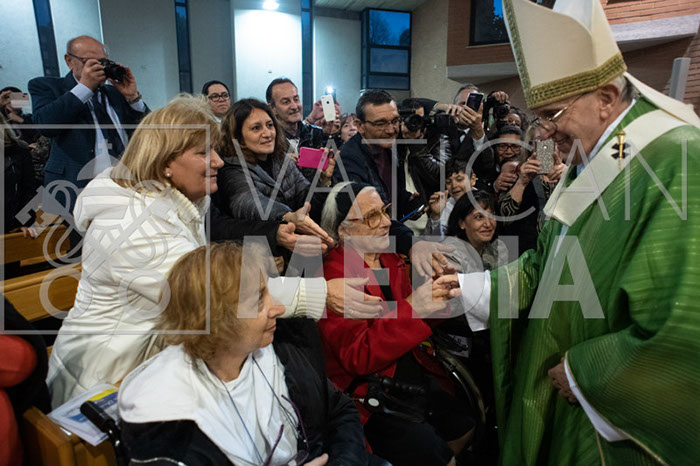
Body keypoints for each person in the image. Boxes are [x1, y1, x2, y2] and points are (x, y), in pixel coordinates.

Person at [456, 0, 700, 464]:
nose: (545, 133)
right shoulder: (598, 152)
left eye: (553, 114)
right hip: (561, 383)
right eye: (538, 119)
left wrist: (588, 373)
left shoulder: (678, 157)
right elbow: (553, 258)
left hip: (605, 410)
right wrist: (476, 287)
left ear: (605, 98)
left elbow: (686, 320)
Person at [46, 96, 363, 407]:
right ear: (165, 162)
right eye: (203, 153)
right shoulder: (130, 223)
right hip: (105, 379)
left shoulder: (180, 202)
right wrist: (318, 292)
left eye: (214, 149)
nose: (218, 161)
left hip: (157, 358)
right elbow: (212, 292)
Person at [119, 242, 368, 466]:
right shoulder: (170, 426)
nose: (278, 308)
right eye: (259, 300)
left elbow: (339, 410)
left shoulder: (282, 345)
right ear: (216, 321)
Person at [318, 181, 472, 466]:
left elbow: (410, 317)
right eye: (371, 217)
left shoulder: (388, 257)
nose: (387, 222)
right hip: (368, 391)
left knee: (464, 426)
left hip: (406, 367)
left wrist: (441, 295)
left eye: (385, 211)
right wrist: (415, 308)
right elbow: (358, 356)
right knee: (440, 456)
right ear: (343, 230)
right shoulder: (335, 278)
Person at [28, 35, 149, 219]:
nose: (98, 68)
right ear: (69, 61)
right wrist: (84, 88)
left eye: (103, 62)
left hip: (122, 189)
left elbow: (148, 132)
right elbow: (45, 125)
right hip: (73, 189)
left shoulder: (114, 93)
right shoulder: (48, 87)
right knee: (75, 238)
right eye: (90, 62)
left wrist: (133, 98)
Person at [214, 98, 334, 246]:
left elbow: (306, 198)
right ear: (238, 138)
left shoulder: (280, 159)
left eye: (270, 125)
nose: (267, 133)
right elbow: (248, 202)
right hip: (255, 250)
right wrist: (287, 215)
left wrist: (323, 180)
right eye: (256, 128)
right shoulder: (231, 168)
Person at [334, 89, 423, 255]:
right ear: (360, 126)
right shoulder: (350, 160)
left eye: (395, 121)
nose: (391, 130)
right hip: (365, 250)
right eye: (381, 123)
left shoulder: (389, 146)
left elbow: (390, 195)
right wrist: (410, 243)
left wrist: (411, 202)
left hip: (391, 239)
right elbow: (369, 215)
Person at [266, 78, 340, 182]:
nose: (294, 106)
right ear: (272, 108)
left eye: (296, 99)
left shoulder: (315, 133)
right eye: (286, 102)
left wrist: (331, 135)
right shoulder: (268, 140)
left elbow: (334, 169)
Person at [444, 191, 507, 273]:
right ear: (461, 223)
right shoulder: (450, 253)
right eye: (479, 217)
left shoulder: (498, 247)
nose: (488, 224)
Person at [424, 158, 475, 237]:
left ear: (472, 179)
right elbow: (429, 240)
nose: (454, 186)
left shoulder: (487, 200)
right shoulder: (444, 208)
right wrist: (436, 216)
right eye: (448, 182)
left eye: (459, 179)